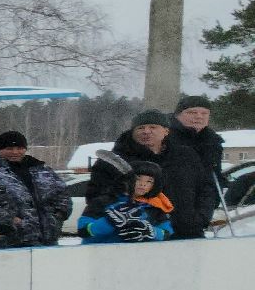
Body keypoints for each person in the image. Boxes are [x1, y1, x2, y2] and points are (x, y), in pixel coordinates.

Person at [83, 111, 209, 241]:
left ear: (166, 131)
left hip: (188, 232)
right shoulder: (110, 162)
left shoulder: (186, 156)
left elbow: (206, 189)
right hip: (130, 238)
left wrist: (200, 218)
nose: (146, 131)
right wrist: (119, 214)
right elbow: (95, 195)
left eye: (153, 127)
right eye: (140, 128)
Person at [0, 131, 73, 247]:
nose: (15, 152)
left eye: (19, 148)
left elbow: (63, 194)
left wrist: (57, 216)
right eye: (9, 149)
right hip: (12, 242)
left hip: (49, 239)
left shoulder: (42, 169)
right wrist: (11, 220)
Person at [167, 95, 226, 237]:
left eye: (204, 113)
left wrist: (206, 211)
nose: (199, 117)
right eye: (192, 112)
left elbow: (214, 179)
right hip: (165, 213)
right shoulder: (165, 137)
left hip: (197, 215)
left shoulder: (212, 142)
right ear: (178, 115)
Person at [78, 160, 174, 243]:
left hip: (140, 255)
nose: (143, 184)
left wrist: (151, 231)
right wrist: (109, 222)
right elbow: (83, 231)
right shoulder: (103, 201)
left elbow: (167, 234)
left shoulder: (156, 206)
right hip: (101, 253)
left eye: (149, 181)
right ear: (127, 179)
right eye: (138, 178)